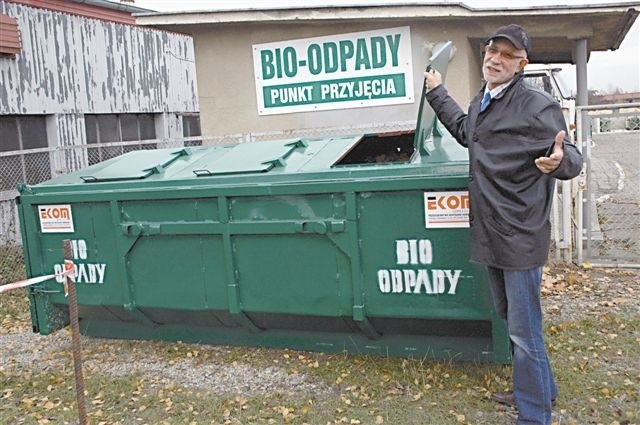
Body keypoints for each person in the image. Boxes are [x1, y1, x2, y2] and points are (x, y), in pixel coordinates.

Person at [424, 24, 583, 425]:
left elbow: (573, 155)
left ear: (521, 64)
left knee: (524, 331)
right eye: (491, 51)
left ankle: (534, 416)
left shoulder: (535, 105)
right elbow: (466, 132)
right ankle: (540, 391)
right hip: (491, 230)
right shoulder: (483, 101)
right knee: (512, 319)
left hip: (520, 233)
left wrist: (559, 162)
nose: (495, 59)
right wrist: (437, 92)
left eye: (506, 55)